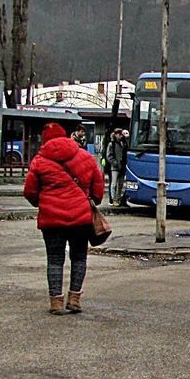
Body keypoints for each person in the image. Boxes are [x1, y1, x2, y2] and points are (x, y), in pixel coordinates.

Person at [23, 122, 105, 314]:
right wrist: (91, 200)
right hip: (81, 219)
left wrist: (41, 203)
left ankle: (56, 302)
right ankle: (74, 299)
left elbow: (29, 191)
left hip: (51, 220)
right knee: (79, 258)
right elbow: (98, 189)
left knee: (54, 260)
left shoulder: (39, 161)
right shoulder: (85, 156)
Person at [104, 128, 129, 205]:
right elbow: (109, 155)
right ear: (115, 134)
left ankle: (118, 198)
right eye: (118, 134)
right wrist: (114, 163)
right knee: (114, 184)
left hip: (122, 166)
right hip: (115, 167)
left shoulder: (123, 143)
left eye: (121, 134)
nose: (120, 136)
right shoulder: (112, 144)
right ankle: (114, 198)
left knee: (120, 184)